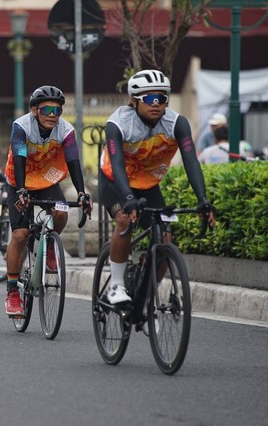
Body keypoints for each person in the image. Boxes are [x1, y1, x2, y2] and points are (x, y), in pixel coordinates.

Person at [100, 69, 216, 305]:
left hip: (149, 185)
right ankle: (116, 286)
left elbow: (191, 160)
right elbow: (118, 163)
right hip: (115, 181)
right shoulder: (118, 123)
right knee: (124, 221)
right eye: (151, 99)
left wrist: (202, 199)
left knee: (164, 241)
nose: (158, 104)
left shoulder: (177, 123)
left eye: (162, 98)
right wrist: (128, 196)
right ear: (134, 100)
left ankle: (144, 293)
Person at [3, 85, 93, 317]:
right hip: (19, 180)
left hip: (46, 180)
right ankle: (13, 291)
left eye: (57, 110)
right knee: (20, 235)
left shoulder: (66, 130)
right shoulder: (21, 126)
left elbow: (73, 161)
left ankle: (50, 245)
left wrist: (81, 192)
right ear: (34, 110)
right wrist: (22, 190)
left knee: (61, 212)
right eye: (47, 110)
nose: (53, 115)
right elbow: (20, 155)